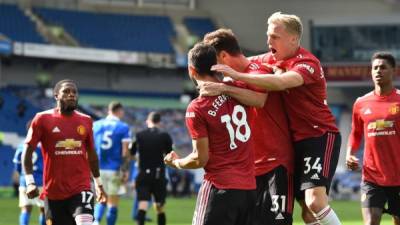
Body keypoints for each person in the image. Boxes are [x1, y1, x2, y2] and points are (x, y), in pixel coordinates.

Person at [211, 12, 342, 225]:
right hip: (294, 141)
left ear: (293, 39)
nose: (268, 41)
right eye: (268, 35)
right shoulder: (270, 58)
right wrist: (225, 70)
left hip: (318, 136)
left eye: (274, 37)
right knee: (307, 213)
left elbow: (280, 83)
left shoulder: (308, 63)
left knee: (315, 202)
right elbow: (246, 62)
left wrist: (236, 77)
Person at [201, 28, 294, 225]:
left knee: (277, 222)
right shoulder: (232, 79)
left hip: (275, 164)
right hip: (250, 169)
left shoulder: (257, 70)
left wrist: (224, 88)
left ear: (224, 56)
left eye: (214, 62)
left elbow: (259, 100)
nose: (213, 68)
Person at [164, 42, 256, 225]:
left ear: (192, 70)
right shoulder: (239, 89)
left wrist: (176, 162)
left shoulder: (197, 107)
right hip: (249, 190)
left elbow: (200, 158)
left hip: (220, 188)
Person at [22, 79, 107, 225]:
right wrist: (30, 182)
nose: (71, 95)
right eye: (66, 91)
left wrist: (98, 184)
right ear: (56, 96)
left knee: (84, 222)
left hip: (81, 187)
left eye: (74, 92)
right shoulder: (42, 119)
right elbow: (27, 152)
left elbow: (92, 155)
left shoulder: (86, 120)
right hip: (53, 192)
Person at [346, 52, 400, 225]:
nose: (378, 71)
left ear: (394, 71)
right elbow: (355, 133)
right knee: (371, 223)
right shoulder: (361, 103)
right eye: (375, 68)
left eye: (383, 67)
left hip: (398, 176)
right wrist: (349, 153)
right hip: (372, 177)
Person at [93, 101, 132, 225]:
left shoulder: (96, 125)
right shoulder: (123, 127)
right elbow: (125, 152)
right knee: (113, 202)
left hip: (98, 169)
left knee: (100, 199)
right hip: (114, 169)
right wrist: (125, 170)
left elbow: (90, 148)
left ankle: (96, 222)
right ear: (119, 111)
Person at [131, 111, 173, 225]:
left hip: (143, 173)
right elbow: (170, 155)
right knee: (159, 207)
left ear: (147, 121)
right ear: (159, 122)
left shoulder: (139, 135)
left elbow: (131, 153)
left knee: (142, 205)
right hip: (158, 174)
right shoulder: (164, 136)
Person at [13, 120, 45, 225]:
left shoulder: (22, 144)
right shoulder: (43, 145)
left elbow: (17, 164)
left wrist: (23, 175)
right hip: (41, 181)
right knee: (44, 210)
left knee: (25, 209)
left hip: (25, 181)